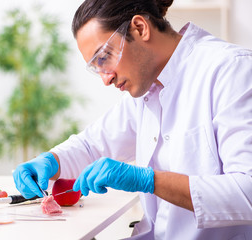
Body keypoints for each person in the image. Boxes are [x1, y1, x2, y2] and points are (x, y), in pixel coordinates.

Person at [13, 0, 252, 238]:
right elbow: (92, 144)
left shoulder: (232, 70)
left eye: (104, 57)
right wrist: (49, 161)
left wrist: (148, 180)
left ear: (140, 28)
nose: (106, 79)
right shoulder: (148, 90)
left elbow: (248, 193)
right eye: (96, 67)